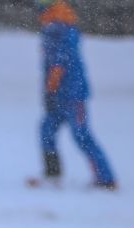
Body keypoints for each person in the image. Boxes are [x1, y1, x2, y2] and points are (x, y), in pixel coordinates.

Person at [33, 0, 117, 190]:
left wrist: (51, 88)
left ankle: (106, 178)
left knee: (81, 135)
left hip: (72, 95)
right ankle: (52, 174)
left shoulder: (61, 27)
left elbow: (59, 64)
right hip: (57, 96)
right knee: (46, 130)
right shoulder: (50, 26)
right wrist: (50, 92)